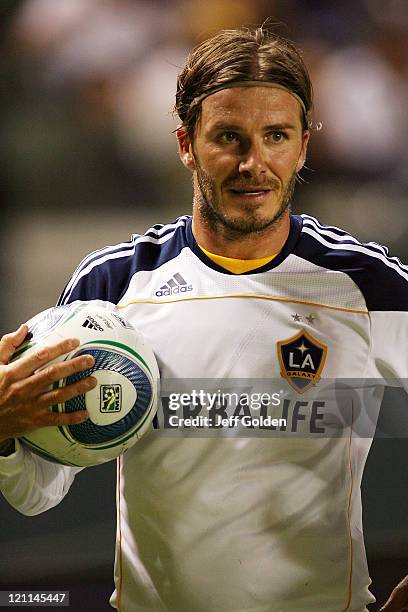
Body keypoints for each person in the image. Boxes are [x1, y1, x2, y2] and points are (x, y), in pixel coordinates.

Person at [0, 25, 407, 612]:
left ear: (303, 146)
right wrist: (7, 427)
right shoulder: (111, 288)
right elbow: (40, 490)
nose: (253, 163)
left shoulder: (363, 284)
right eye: (228, 137)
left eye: (275, 136)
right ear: (186, 144)